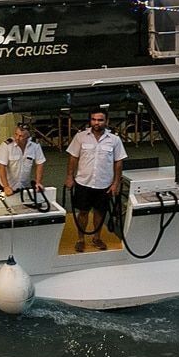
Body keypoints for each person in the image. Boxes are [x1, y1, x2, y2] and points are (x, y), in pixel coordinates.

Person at [65, 108, 127, 252]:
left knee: (100, 212)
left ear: (107, 121)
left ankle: (96, 238)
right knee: (83, 212)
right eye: (93, 119)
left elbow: (118, 162)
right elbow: (73, 157)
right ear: (90, 121)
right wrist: (69, 176)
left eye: (100, 120)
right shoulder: (80, 137)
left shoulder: (114, 140)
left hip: (104, 184)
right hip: (83, 182)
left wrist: (116, 183)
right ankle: (80, 239)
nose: (96, 123)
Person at [0, 123, 46, 200]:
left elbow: (40, 163)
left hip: (24, 185)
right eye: (16, 134)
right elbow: (1, 166)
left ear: (28, 136)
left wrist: (38, 182)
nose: (17, 138)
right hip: (8, 185)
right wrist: (6, 186)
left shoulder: (35, 145)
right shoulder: (7, 145)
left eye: (21, 136)